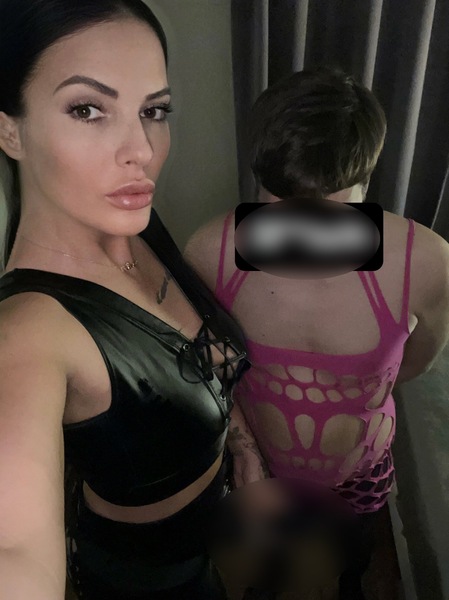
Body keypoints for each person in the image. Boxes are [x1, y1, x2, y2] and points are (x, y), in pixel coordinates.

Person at [0, 1, 262, 598]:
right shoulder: (26, 331)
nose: (141, 149)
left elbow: (202, 359)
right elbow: (15, 553)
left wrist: (241, 444)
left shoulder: (132, 223)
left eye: (154, 111)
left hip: (211, 544)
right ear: (10, 130)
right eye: (88, 109)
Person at [185, 68, 449, 598]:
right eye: (279, 207)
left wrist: (357, 388)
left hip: (360, 473)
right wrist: (245, 450)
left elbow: (419, 361)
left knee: (348, 566)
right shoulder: (208, 252)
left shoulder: (426, 260)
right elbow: (210, 369)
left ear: (364, 180)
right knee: (267, 572)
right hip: (259, 464)